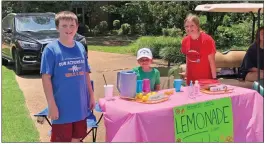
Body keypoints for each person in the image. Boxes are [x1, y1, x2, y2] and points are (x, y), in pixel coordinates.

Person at [40, 11, 95, 142]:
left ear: (77, 27)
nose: (68, 29)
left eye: (72, 25)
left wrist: (91, 95)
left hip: (81, 108)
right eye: (64, 25)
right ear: (57, 27)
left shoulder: (81, 47)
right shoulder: (51, 49)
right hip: (62, 109)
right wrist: (51, 105)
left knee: (77, 138)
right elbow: (46, 78)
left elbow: (86, 73)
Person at [181, 13, 217, 85]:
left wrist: (214, 79)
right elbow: (188, 58)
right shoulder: (185, 41)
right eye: (186, 26)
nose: (189, 28)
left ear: (197, 26)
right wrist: (186, 74)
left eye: (192, 26)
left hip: (205, 81)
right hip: (190, 81)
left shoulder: (208, 40)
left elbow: (212, 61)